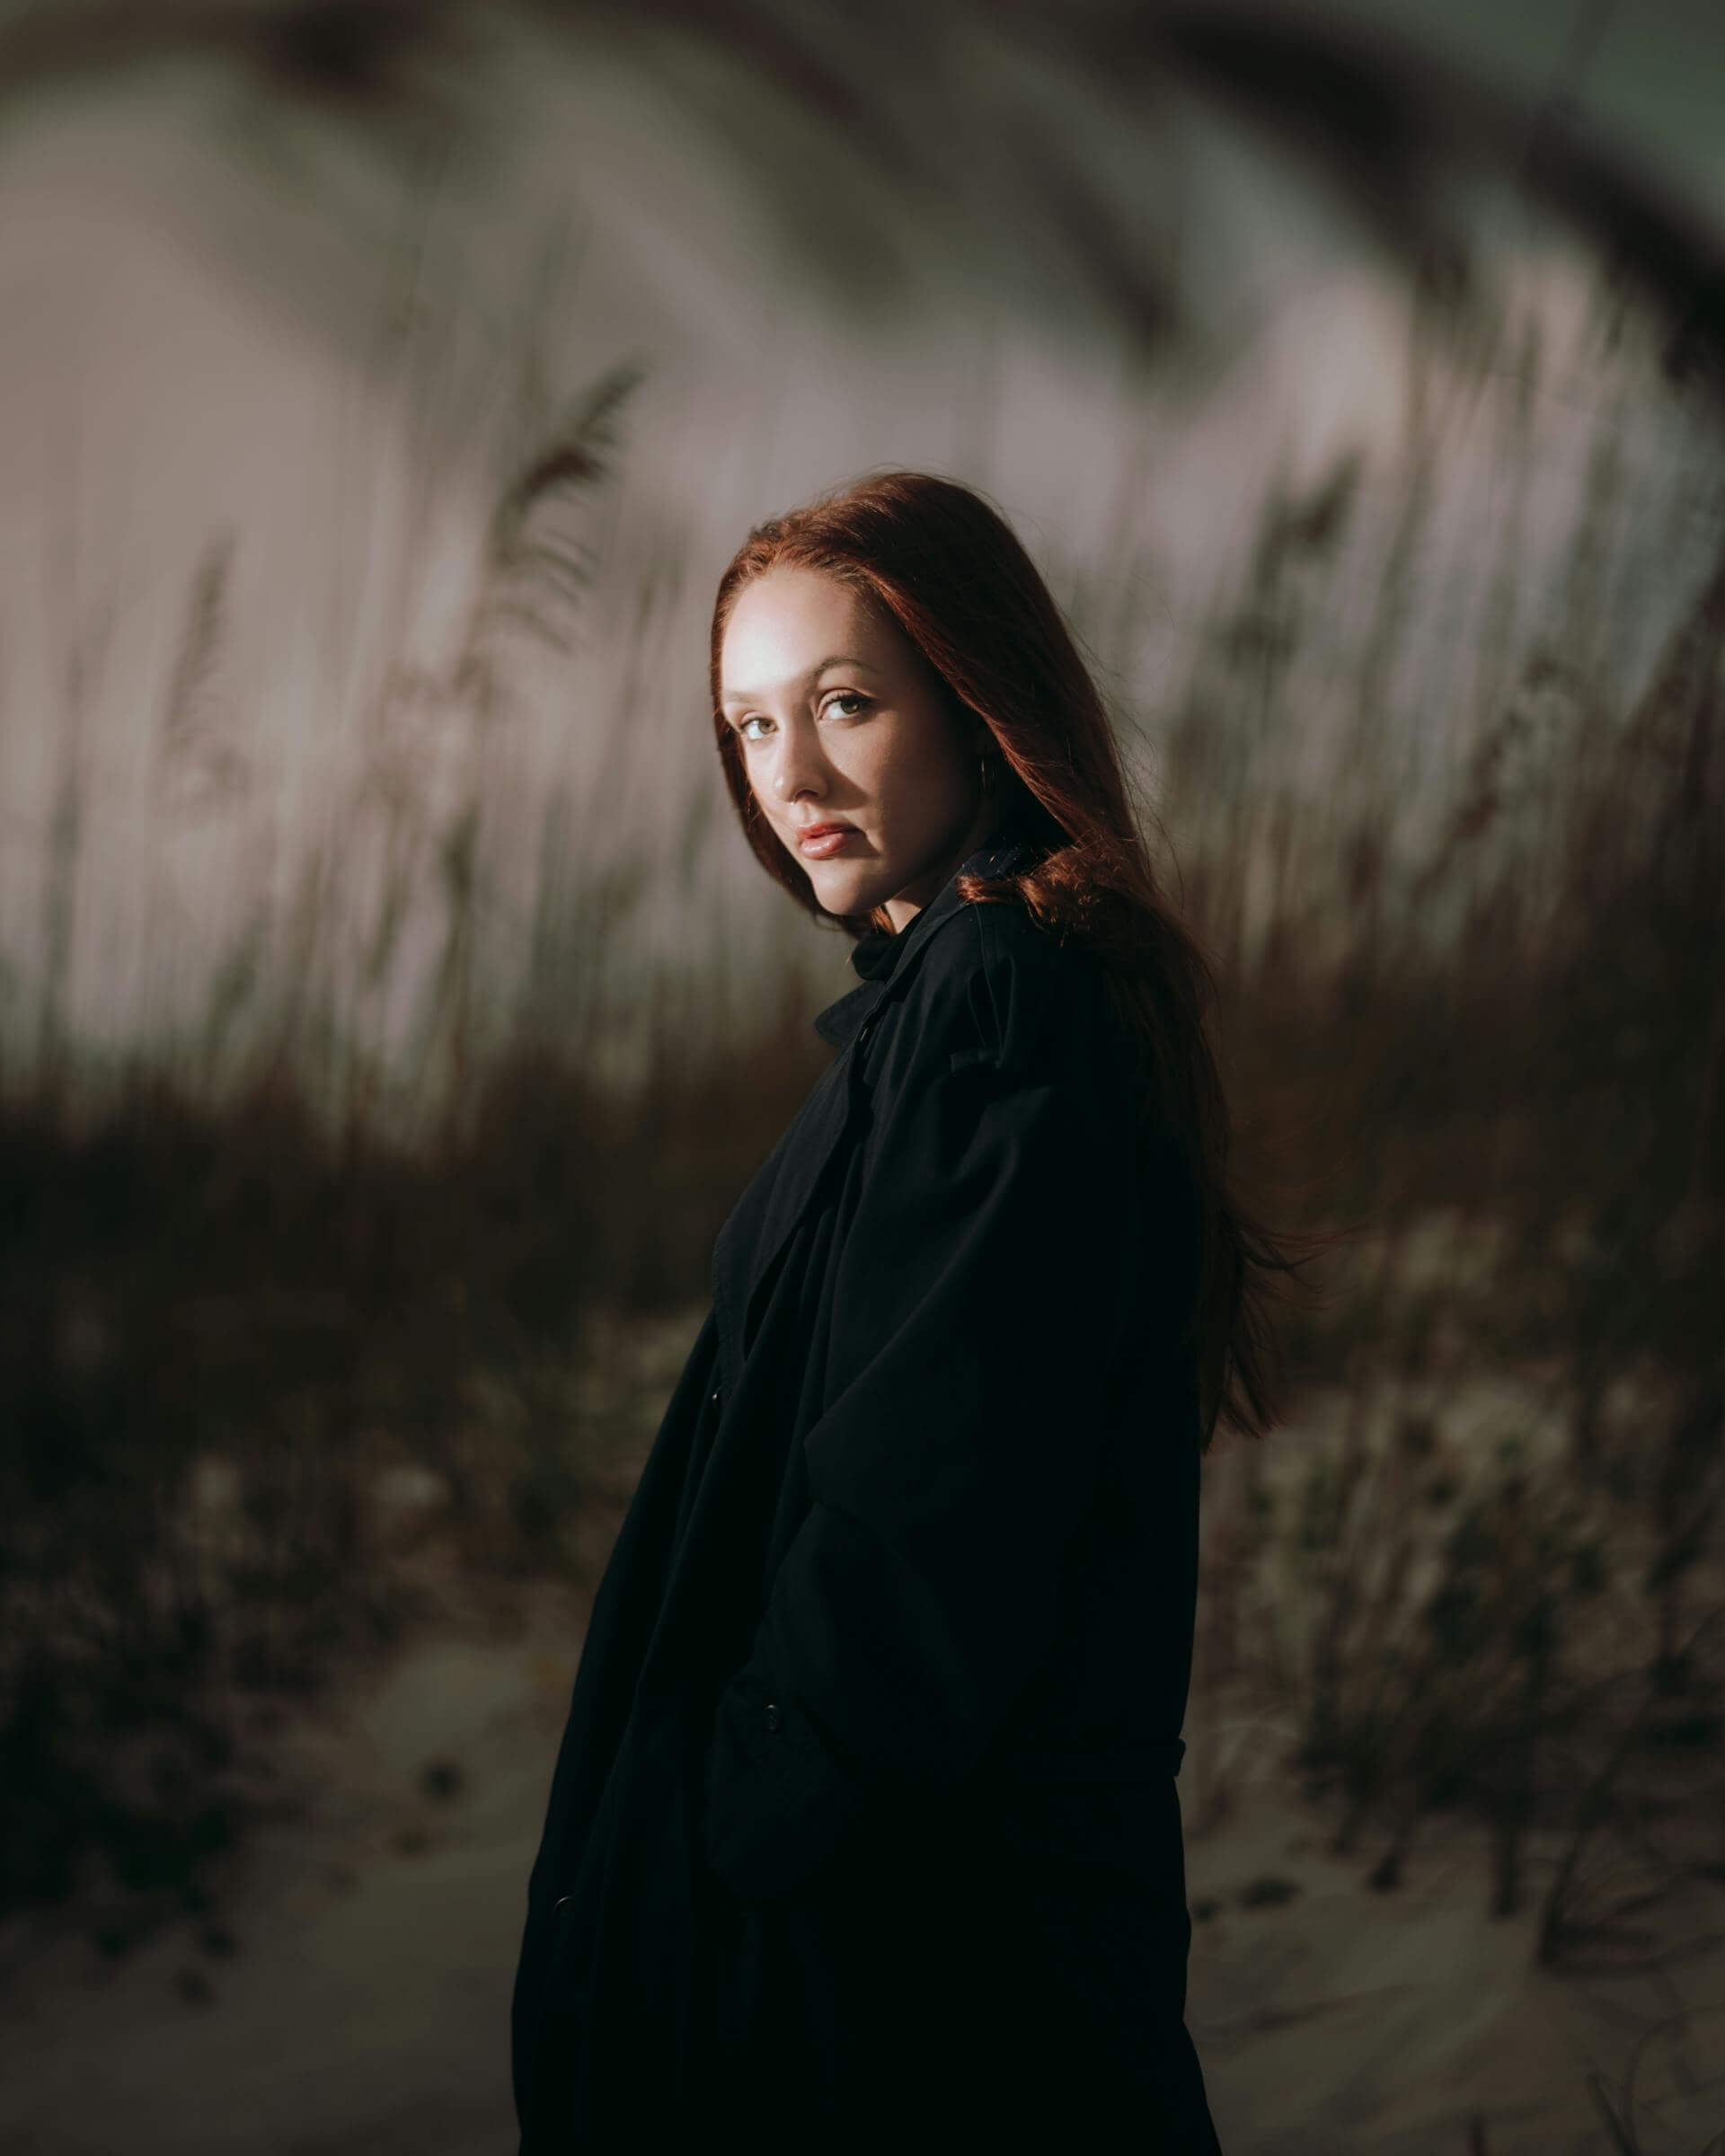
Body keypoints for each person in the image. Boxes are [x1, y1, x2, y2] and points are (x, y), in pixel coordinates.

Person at [511, 470, 1286, 2151]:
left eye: (845, 703)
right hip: (926, 1934)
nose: (787, 775)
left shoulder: (1000, 1001)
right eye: (748, 724)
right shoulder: (970, 993)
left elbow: (926, 1514)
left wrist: (747, 1831)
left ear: (978, 695)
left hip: (924, 1971)